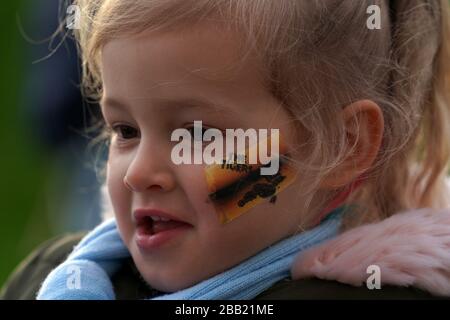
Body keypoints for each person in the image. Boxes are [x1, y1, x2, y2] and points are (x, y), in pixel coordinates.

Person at [2, 0, 450, 300]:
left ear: (345, 145)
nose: (139, 173)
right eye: (126, 129)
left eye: (198, 136)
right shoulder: (47, 276)